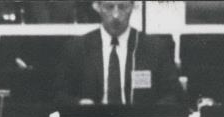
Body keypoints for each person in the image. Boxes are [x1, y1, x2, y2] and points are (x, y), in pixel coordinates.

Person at [54, 1, 185, 108]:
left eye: (122, 7)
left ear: (132, 7)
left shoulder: (155, 48)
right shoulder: (77, 48)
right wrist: (78, 104)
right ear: (97, 7)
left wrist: (151, 114)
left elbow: (174, 95)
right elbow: (58, 95)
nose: (116, 15)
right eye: (109, 7)